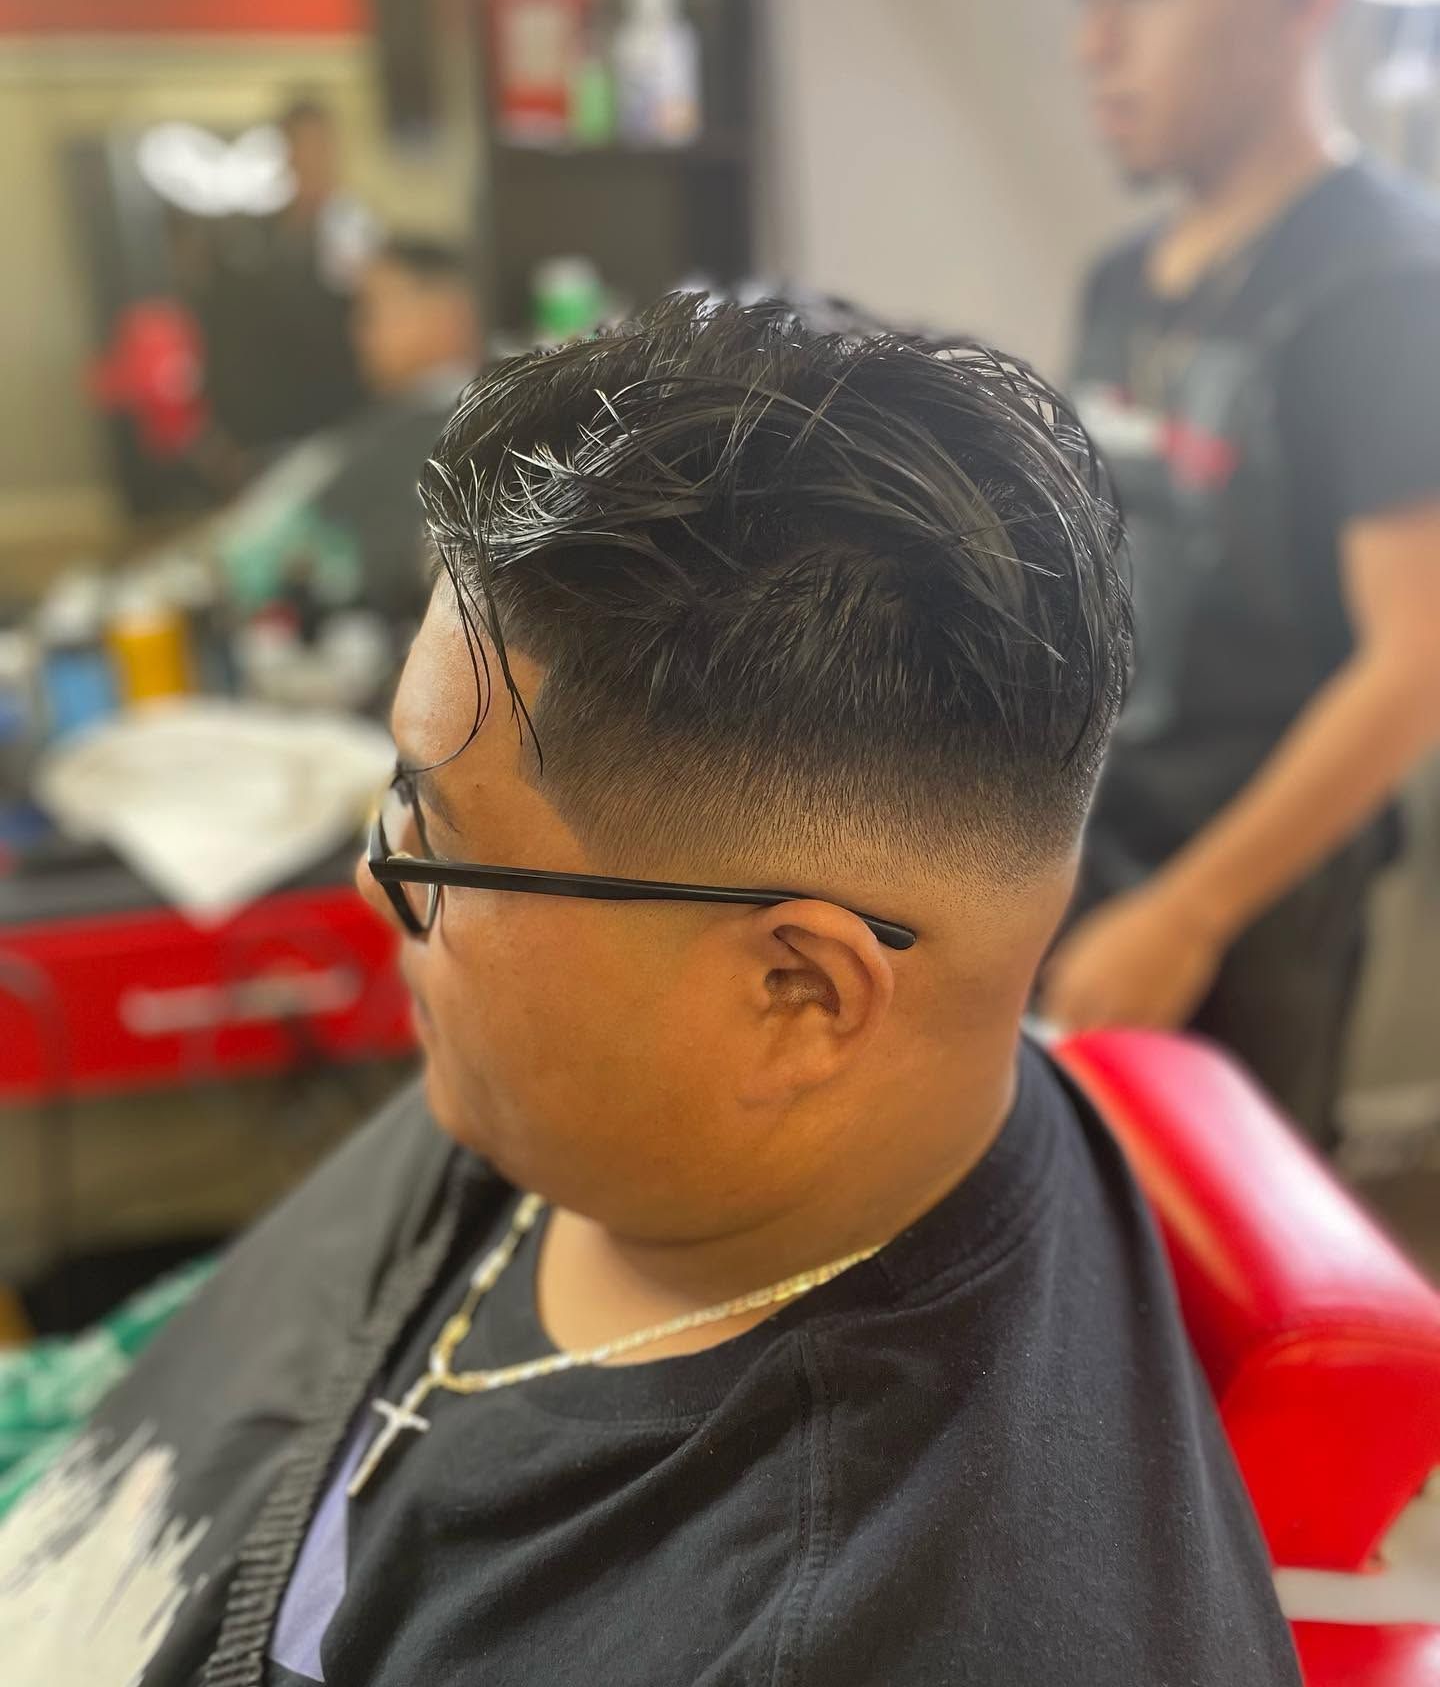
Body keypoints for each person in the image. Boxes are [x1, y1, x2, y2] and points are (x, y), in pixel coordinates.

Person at [0, 298, 1300, 1685]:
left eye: (438, 841)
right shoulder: (628, 1119)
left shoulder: (865, 1628)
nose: (385, 881)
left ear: (796, 994)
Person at [1000, 0, 1440, 1143]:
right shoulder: (1121, 283)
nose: (1093, 41)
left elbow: (1415, 661)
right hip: (1084, 860)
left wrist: (1190, 912)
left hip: (1248, 907)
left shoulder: (1391, 288)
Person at [213, 235, 483, 624]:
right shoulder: (390, 423)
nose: (359, 334)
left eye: (373, 312)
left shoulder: (457, 435)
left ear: (448, 316)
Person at [200, 96, 382, 452]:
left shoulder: (360, 233)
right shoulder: (254, 237)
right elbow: (230, 334)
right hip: (265, 428)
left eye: (321, 146)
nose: (313, 158)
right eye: (301, 145)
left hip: (340, 422)